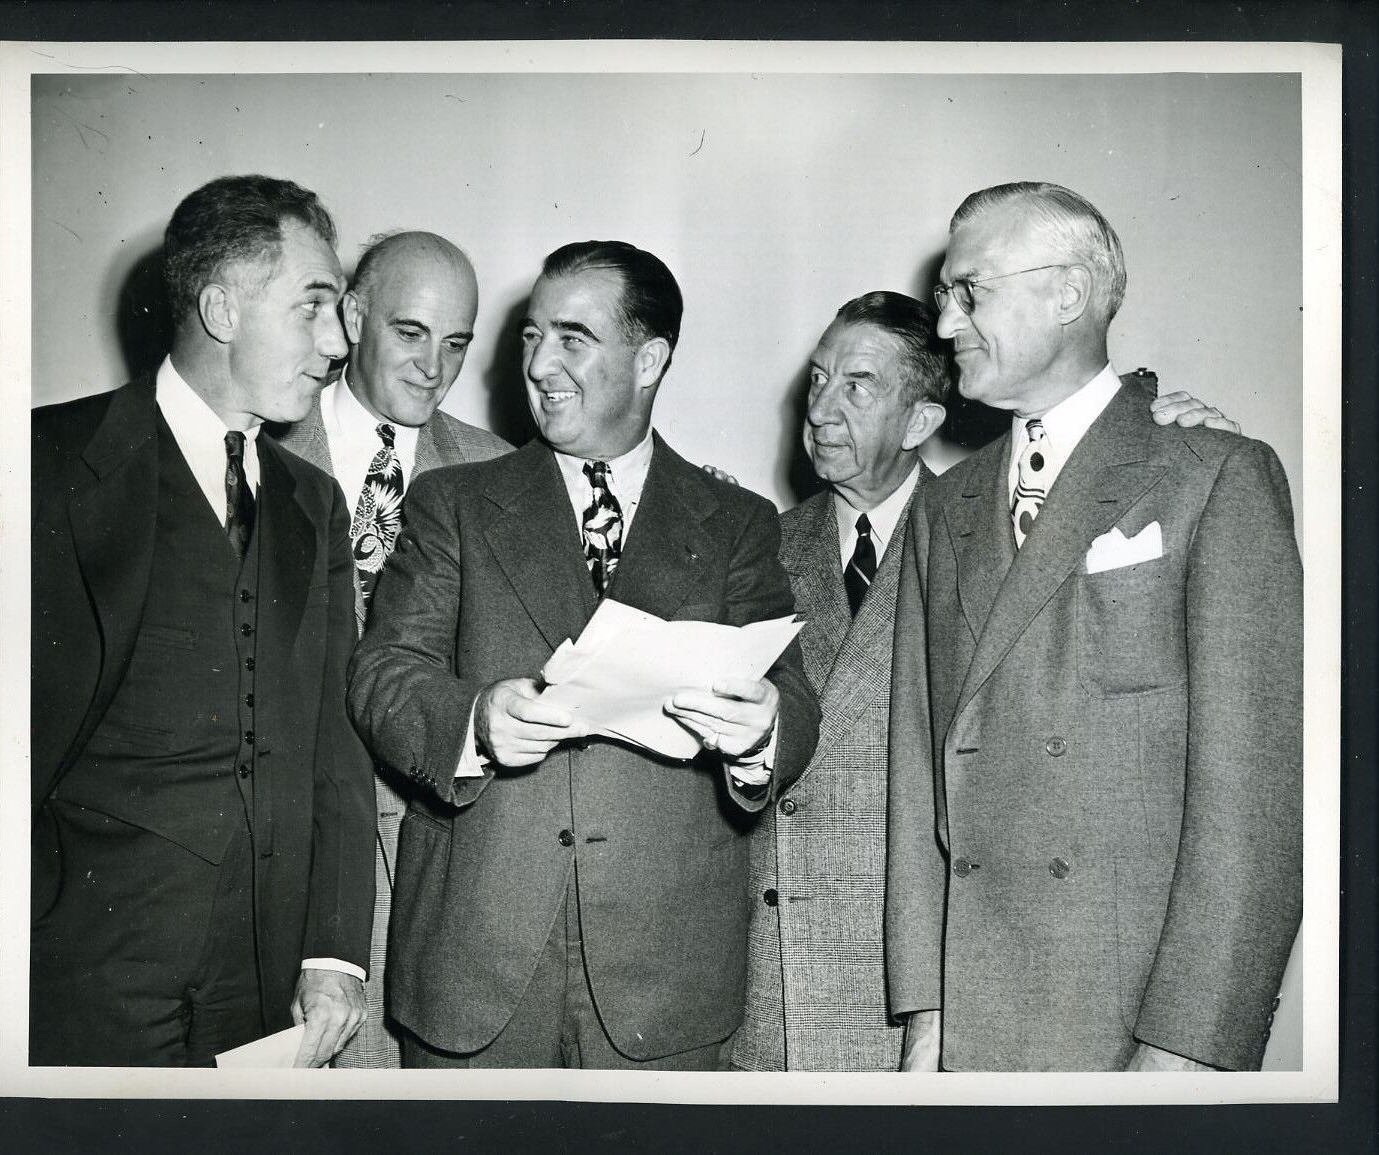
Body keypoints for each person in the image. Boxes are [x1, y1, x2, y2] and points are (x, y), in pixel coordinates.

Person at [732, 292, 1237, 1073]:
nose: (822, 410)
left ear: (921, 421)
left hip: (929, 979)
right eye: (818, 380)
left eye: (857, 386)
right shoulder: (755, 541)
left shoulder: (993, 529)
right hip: (775, 985)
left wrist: (1151, 422)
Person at [348, 240, 818, 1069]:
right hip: (475, 963)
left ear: (650, 359)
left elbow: (790, 693)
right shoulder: (451, 503)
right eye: (531, 336)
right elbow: (385, 672)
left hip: (666, 976)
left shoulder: (737, 518)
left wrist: (763, 730)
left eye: (573, 338)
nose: (539, 364)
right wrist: (476, 720)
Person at [886, 181, 1301, 1072]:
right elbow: (917, 773)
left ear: (1067, 294)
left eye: (970, 292)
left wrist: (1188, 1044)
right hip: (975, 1018)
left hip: (1130, 1015)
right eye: (943, 297)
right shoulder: (944, 506)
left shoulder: (1212, 473)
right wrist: (926, 1014)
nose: (947, 324)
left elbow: (1256, 803)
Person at [30, 175, 375, 1067]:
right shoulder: (43, 465)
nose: (339, 343)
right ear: (222, 309)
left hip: (263, 992)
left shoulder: (316, 504)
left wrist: (333, 953)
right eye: (314, 308)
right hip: (81, 974)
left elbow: (335, 746)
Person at [272, 229, 510, 1068]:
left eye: (456, 344)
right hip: (297, 863)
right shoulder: (260, 452)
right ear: (353, 316)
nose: (433, 368)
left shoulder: (500, 471)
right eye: (410, 333)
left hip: (449, 866)